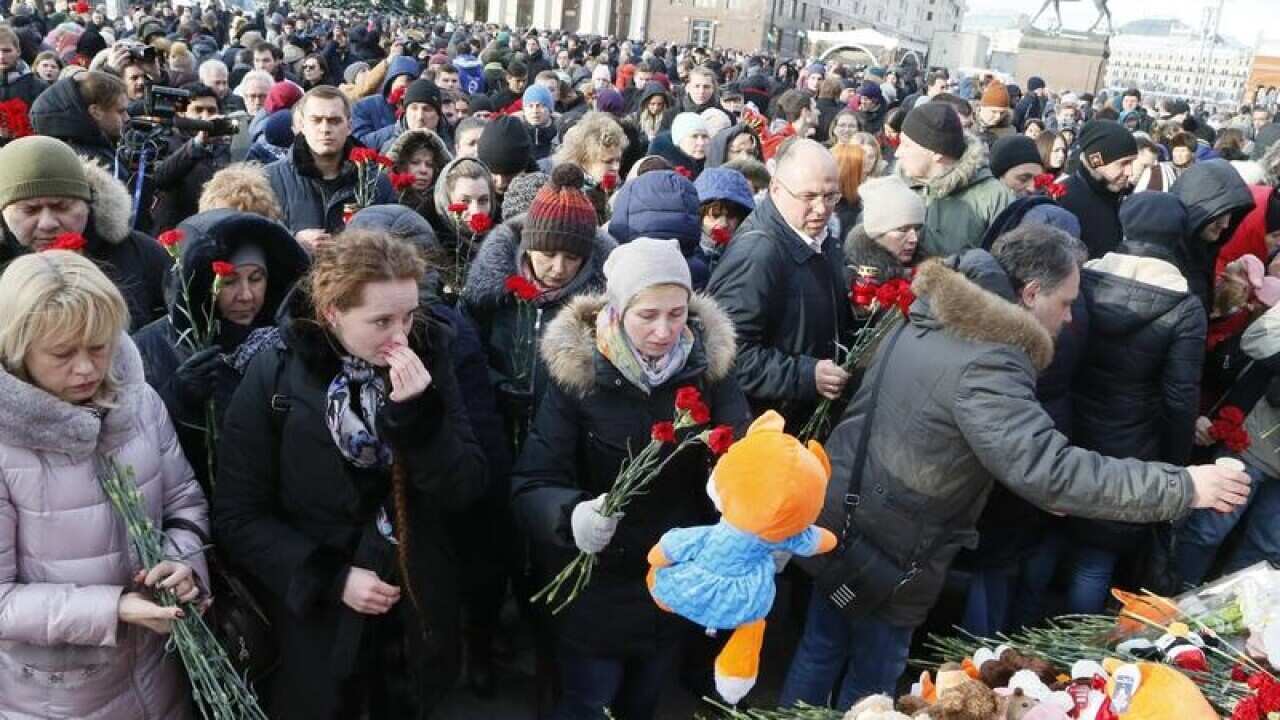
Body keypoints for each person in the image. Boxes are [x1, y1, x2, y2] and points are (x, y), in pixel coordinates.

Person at [782, 228, 1251, 711]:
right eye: (1066, 302)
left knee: (820, 648)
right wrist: (1186, 485)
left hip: (850, 517)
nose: (1071, 317)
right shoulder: (988, 357)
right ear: (1030, 294)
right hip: (895, 545)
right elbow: (1052, 471)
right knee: (874, 680)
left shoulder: (935, 311)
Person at [215, 229, 487, 719]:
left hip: (414, 606)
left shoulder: (431, 358)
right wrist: (329, 578)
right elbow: (239, 514)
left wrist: (419, 421)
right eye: (381, 320)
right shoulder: (275, 374)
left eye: (408, 315)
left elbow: (465, 486)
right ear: (332, 314)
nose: (401, 336)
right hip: (317, 625)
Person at [511, 236, 749, 720]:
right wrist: (570, 515)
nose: (664, 331)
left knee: (642, 702)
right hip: (598, 585)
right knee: (590, 702)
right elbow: (532, 481)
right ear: (618, 311)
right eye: (648, 315)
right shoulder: (578, 377)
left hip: (671, 581)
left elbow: (745, 456)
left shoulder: (709, 371)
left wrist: (760, 518)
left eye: (677, 313)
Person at [0, 250, 208, 719]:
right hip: (56, 697)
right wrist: (113, 609)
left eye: (98, 347)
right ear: (16, 350)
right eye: (61, 354)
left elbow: (184, 503)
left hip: (158, 677)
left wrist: (184, 563)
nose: (87, 370)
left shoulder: (140, 403)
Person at [1061, 191, 1207, 613]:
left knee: (1051, 539)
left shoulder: (1084, 277)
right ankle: (1074, 655)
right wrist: (1177, 462)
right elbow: (1181, 395)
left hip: (1070, 422)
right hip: (1133, 439)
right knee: (1097, 554)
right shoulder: (1183, 305)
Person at [132, 210, 309, 490]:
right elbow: (133, 447)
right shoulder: (149, 347)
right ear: (203, 281)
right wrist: (175, 399)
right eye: (229, 282)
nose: (246, 295)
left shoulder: (288, 342)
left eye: (256, 278)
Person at [707, 139, 853, 431]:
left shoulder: (815, 237)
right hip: (772, 428)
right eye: (808, 196)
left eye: (831, 196)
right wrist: (806, 376)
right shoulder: (757, 254)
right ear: (775, 189)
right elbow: (728, 357)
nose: (821, 208)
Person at [463, 164, 614, 444]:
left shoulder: (600, 307)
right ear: (528, 246)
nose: (558, 268)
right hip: (496, 429)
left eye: (572, 258)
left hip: (563, 438)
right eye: (548, 253)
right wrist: (496, 384)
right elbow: (467, 353)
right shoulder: (490, 293)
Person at [0, 136, 169, 331]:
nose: (47, 223)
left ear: (89, 203)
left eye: (62, 207)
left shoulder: (142, 255)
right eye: (30, 210)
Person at [266, 86, 392, 244]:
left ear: (349, 126)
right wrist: (294, 241)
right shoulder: (269, 180)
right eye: (316, 120)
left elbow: (396, 240)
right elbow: (255, 238)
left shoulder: (376, 182)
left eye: (334, 121)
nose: (325, 129)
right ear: (302, 126)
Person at [896, 102, 1014, 257]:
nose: (897, 153)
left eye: (906, 145)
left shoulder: (994, 197)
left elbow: (1007, 265)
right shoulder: (894, 188)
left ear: (935, 153)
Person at [1057, 120, 1138, 258]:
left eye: (1132, 162)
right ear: (1096, 160)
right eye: (1124, 163)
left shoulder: (1121, 196)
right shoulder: (1063, 200)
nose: (1130, 172)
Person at [29, 70, 126, 168]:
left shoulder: (93, 146)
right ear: (96, 111)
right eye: (121, 111)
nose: (127, 118)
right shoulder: (90, 162)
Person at [843, 175, 925, 281]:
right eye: (902, 229)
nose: (914, 239)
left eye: (917, 228)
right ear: (876, 233)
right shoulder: (850, 281)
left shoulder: (928, 277)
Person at [694, 166, 755, 276]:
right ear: (700, 215)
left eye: (731, 216)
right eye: (715, 215)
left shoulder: (749, 253)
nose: (723, 223)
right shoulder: (688, 251)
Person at [350, 52, 419, 143]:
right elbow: (359, 142)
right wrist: (400, 127)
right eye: (408, 80)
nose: (410, 86)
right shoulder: (364, 106)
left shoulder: (419, 109)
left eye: (415, 82)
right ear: (392, 80)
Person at [551, 110, 628, 187]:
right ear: (583, 161)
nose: (616, 167)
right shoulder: (569, 196)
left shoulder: (624, 190)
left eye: (618, 160)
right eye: (608, 161)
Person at [387, 128, 453, 217]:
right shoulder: (383, 199)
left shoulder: (444, 207)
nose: (423, 170)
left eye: (430, 164)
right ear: (400, 166)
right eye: (415, 162)